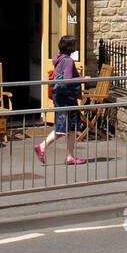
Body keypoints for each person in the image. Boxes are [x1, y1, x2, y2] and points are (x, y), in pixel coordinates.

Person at [36, 37, 85, 165]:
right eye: (75, 44)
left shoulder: (59, 58)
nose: (77, 46)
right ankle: (42, 146)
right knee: (63, 126)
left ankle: (70, 156)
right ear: (70, 47)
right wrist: (84, 78)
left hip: (61, 97)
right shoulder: (68, 61)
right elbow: (67, 80)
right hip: (66, 98)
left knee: (71, 127)